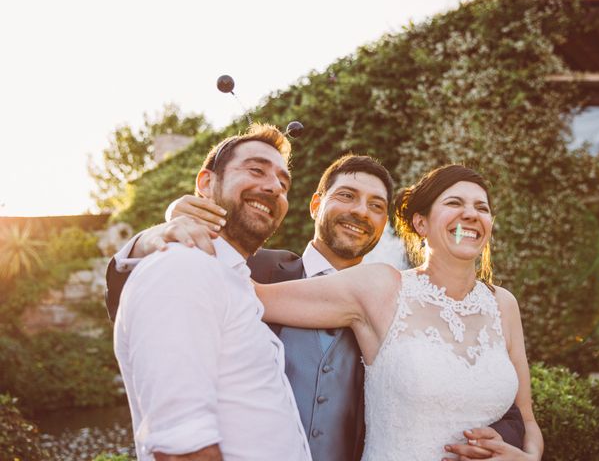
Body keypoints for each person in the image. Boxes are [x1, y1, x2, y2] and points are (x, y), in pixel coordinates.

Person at [107, 156, 526, 460]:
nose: (361, 211)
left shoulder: (392, 294)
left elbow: (486, 397)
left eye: (377, 206)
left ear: (385, 225)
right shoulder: (248, 270)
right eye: (347, 196)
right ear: (315, 205)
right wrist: (156, 238)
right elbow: (156, 295)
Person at [255, 164, 544, 461]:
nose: (471, 214)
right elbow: (255, 297)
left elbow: (528, 420)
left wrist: (528, 457)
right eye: (454, 203)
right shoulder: (383, 286)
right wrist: (206, 226)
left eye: (481, 207)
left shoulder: (504, 305)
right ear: (421, 223)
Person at [113, 124, 311, 461]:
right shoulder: (181, 269)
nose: (274, 187)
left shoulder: (232, 280)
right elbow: (182, 447)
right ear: (206, 183)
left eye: (283, 182)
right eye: (256, 170)